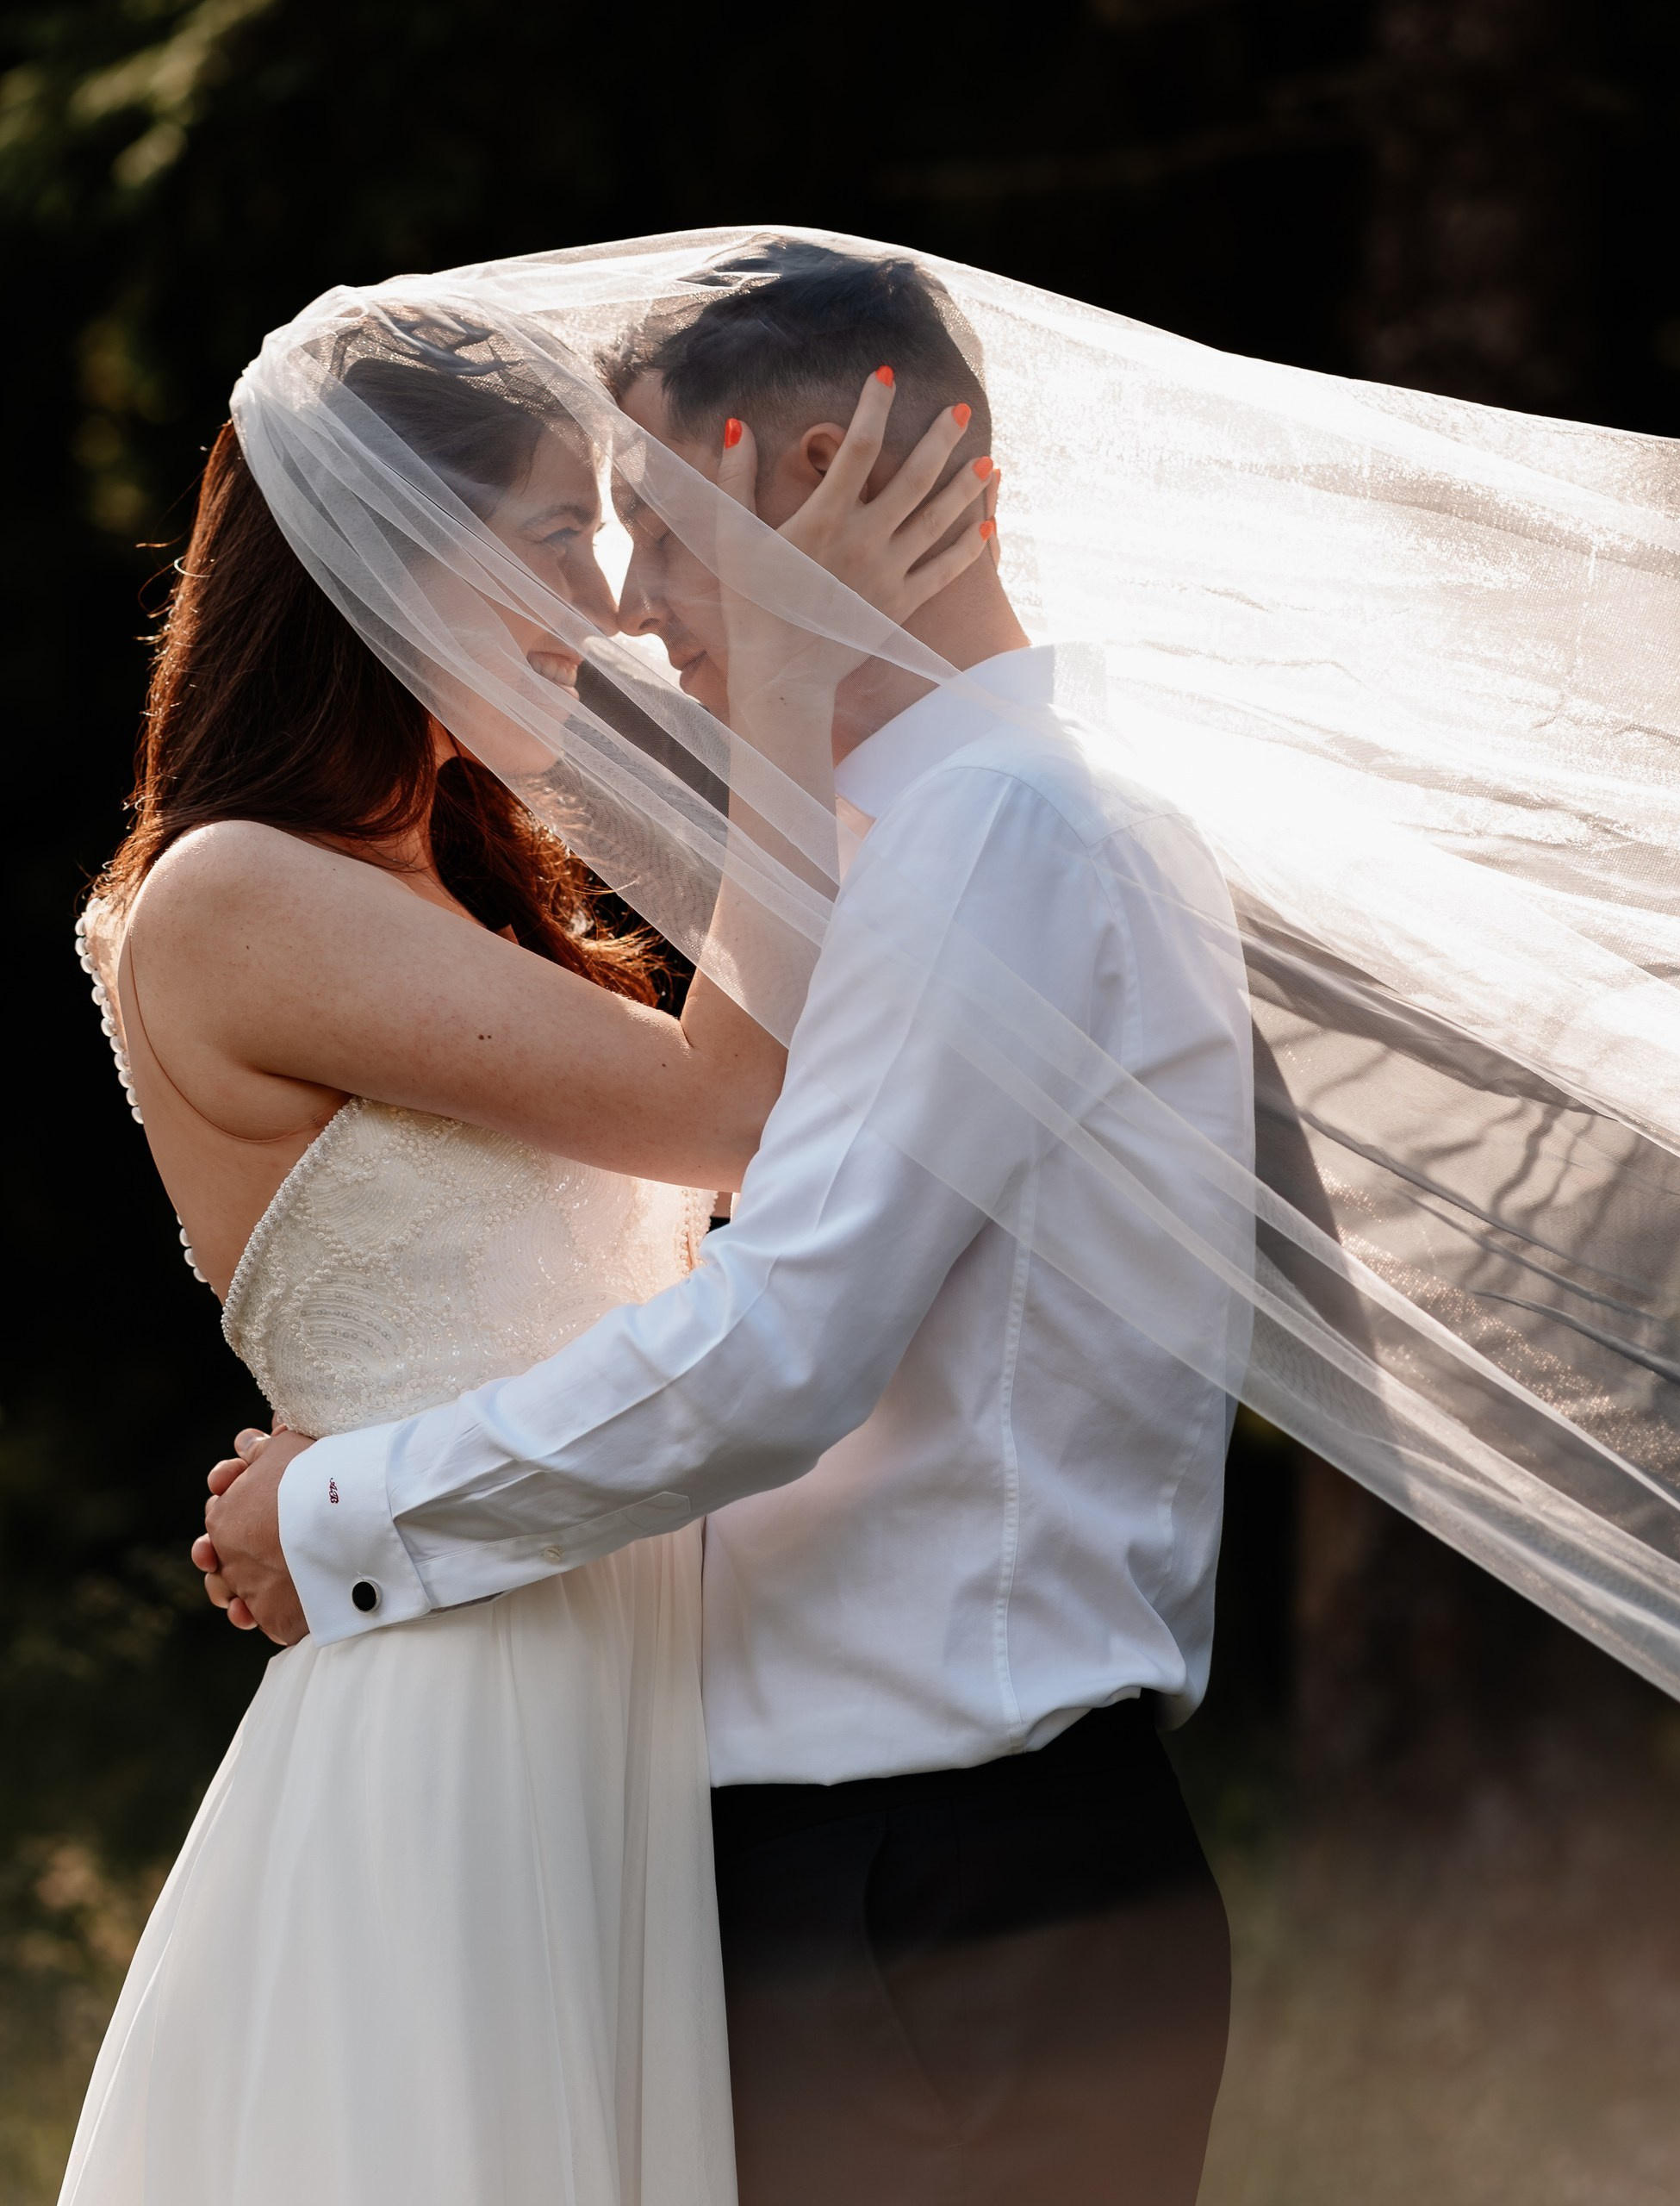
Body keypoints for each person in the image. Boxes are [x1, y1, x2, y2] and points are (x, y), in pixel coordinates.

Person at [205, 240, 1254, 2206]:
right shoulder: (946, 836)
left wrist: (343, 1507)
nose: (639, 608)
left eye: (668, 526)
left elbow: (784, 1350)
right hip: (887, 1879)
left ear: (830, 485)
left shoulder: (995, 833)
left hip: (930, 1893)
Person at [63, 322, 991, 2205]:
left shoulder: (441, 895)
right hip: (464, 1719)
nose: (611, 601)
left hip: (615, 1681)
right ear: (385, 546)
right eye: (556, 532)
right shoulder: (238, 890)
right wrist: (792, 690)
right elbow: (734, 1107)